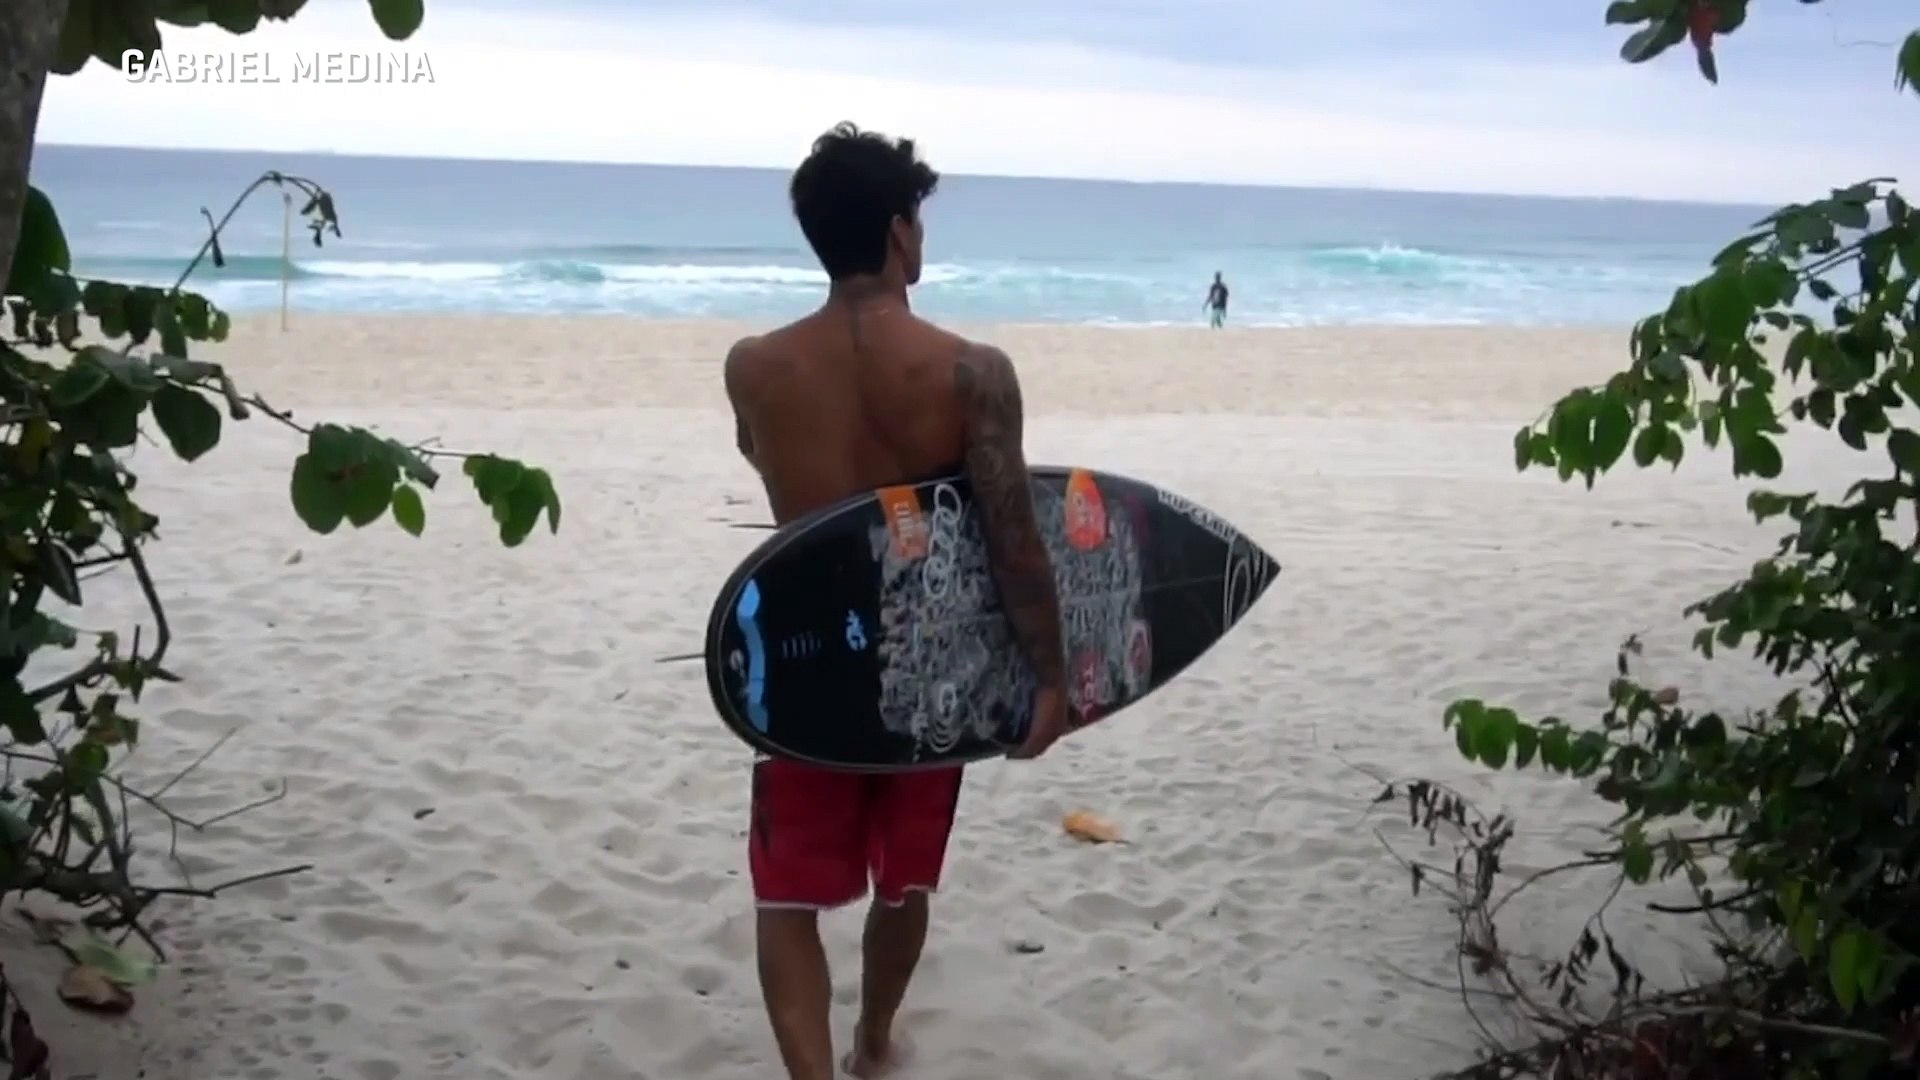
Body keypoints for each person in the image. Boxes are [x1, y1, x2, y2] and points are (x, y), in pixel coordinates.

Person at [722, 122, 1073, 1080]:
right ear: (898, 232)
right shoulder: (971, 372)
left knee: (785, 898)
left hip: (801, 661)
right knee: (904, 880)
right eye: (917, 217)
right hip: (931, 663)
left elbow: (760, 459)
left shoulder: (752, 368)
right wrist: (1050, 678)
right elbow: (1013, 539)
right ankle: (874, 1041)